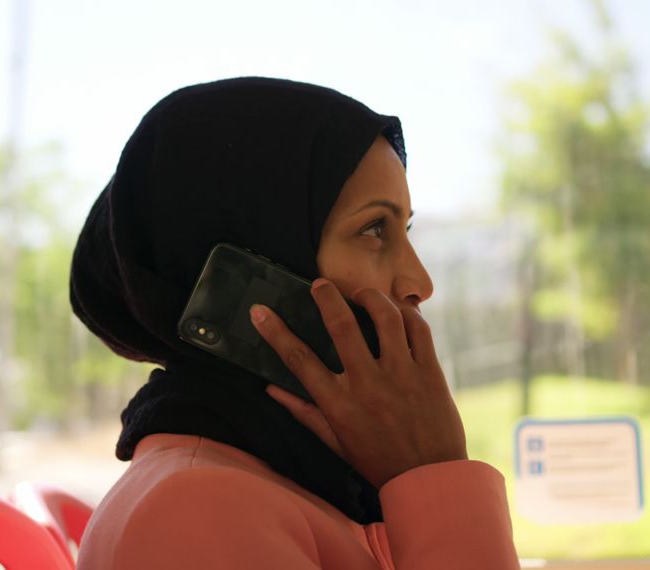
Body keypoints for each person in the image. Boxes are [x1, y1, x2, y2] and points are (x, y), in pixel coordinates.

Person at [70, 77, 519, 569]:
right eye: (374, 229)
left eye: (405, 229)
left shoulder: (319, 485)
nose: (420, 281)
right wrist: (435, 473)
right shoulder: (199, 508)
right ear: (248, 274)